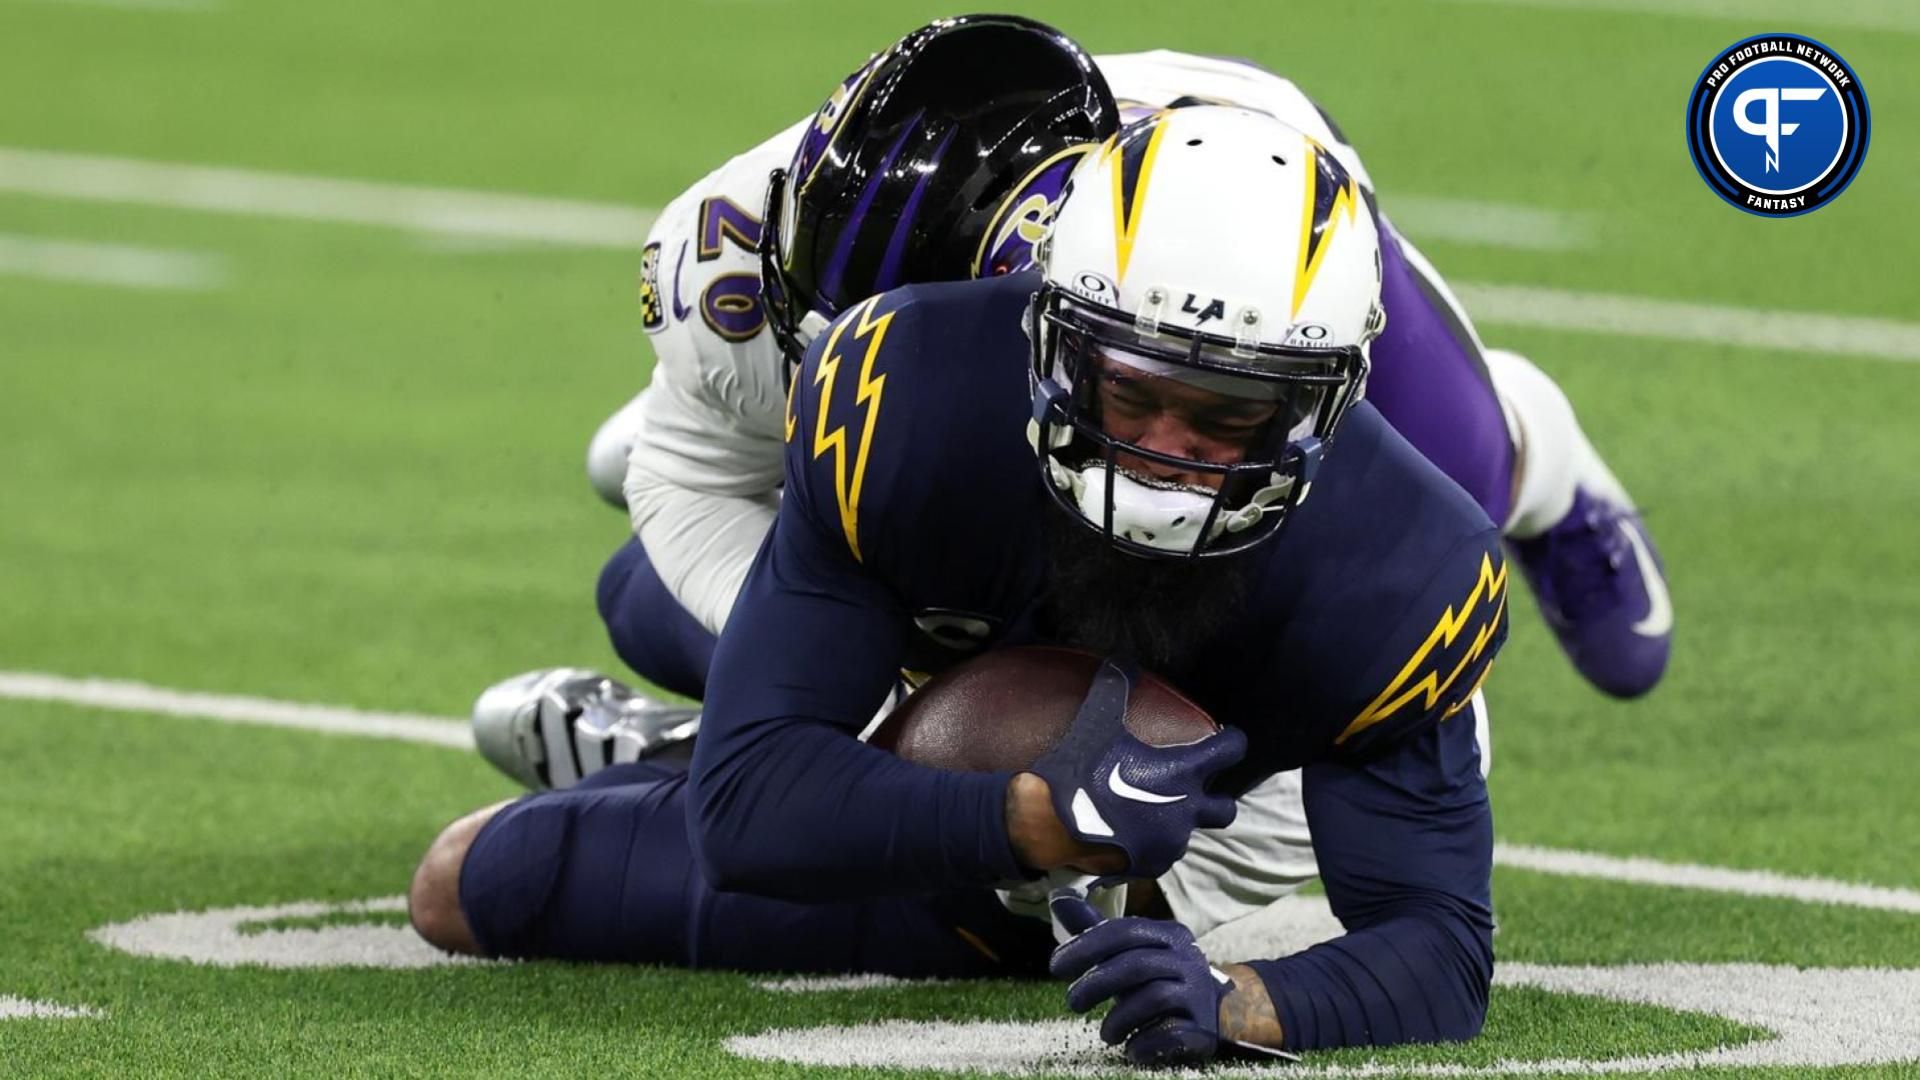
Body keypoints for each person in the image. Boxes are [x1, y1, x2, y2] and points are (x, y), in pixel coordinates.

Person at [414, 107, 1504, 1063]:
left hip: (1209, 808)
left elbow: (1439, 947)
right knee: (486, 852)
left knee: (475, 881)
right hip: (977, 721)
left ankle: (698, 753)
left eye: (1229, 416)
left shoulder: (1408, 570)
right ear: (1053, 335)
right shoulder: (910, 388)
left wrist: (1244, 1003)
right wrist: (1029, 812)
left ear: (1319, 408)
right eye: (1131, 393)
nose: (1166, 451)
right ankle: (700, 742)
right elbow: (746, 812)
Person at [583, 18, 1667, 708]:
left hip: (1255, 229)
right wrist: (855, 686)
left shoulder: (1167, 298)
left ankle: (1546, 451)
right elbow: (685, 483)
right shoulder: (720, 247)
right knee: (683, 547)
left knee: (1454, 487)